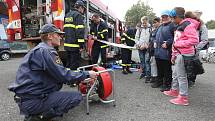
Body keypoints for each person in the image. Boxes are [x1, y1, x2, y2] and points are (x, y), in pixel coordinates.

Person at [8, 24, 98, 121]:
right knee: (76, 97)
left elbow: (59, 72)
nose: (61, 37)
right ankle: (38, 117)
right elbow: (63, 75)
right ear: (50, 36)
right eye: (58, 34)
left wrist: (75, 77)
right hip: (32, 101)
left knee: (56, 88)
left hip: (26, 98)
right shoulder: (47, 51)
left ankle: (38, 110)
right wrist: (87, 74)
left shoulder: (39, 49)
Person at [163, 7, 199, 106]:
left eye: (173, 18)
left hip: (184, 54)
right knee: (176, 74)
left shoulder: (187, 25)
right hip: (178, 53)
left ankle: (183, 97)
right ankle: (174, 90)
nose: (172, 20)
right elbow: (176, 40)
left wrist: (178, 44)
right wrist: (173, 55)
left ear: (178, 17)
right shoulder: (179, 25)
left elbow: (194, 40)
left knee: (182, 76)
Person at [151, 10, 174, 92]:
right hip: (157, 52)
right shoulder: (160, 26)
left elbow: (176, 37)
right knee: (159, 69)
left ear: (169, 17)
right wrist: (154, 41)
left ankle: (167, 84)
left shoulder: (172, 26)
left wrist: (168, 43)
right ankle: (159, 82)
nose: (164, 18)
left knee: (167, 69)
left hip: (166, 52)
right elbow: (154, 36)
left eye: (165, 16)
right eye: (163, 17)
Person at [64, 0, 86, 70]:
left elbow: (65, 30)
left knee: (68, 64)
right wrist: (81, 45)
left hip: (67, 45)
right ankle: (74, 80)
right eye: (83, 9)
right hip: (75, 46)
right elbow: (79, 31)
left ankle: (67, 79)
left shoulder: (67, 15)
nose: (83, 11)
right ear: (80, 7)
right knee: (74, 65)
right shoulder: (78, 15)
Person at [135, 16, 151, 82]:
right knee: (142, 61)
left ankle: (148, 75)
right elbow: (136, 38)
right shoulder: (139, 29)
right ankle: (143, 73)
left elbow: (152, 38)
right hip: (140, 48)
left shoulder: (151, 29)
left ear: (147, 21)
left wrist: (148, 45)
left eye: (145, 23)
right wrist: (139, 44)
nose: (144, 24)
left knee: (147, 61)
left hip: (147, 48)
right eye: (143, 23)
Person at [149, 17, 161, 83]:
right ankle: (154, 76)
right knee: (152, 63)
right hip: (152, 50)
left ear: (159, 22)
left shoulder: (160, 30)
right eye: (153, 23)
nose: (154, 24)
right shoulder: (153, 31)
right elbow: (150, 40)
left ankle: (156, 78)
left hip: (157, 50)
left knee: (156, 64)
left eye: (155, 22)